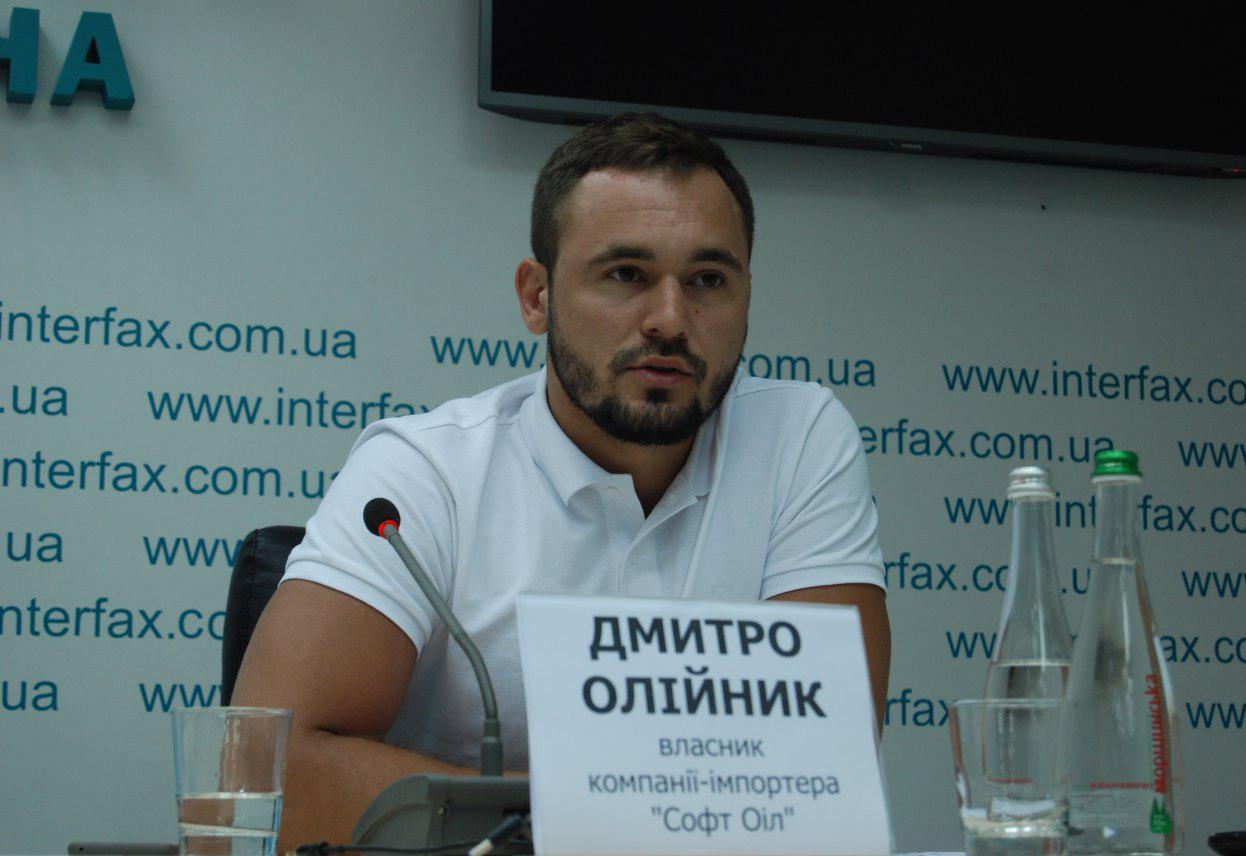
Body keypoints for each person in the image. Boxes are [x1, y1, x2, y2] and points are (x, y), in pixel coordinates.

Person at [232, 112, 890, 850]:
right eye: (626, 274)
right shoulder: (426, 472)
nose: (671, 320)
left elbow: (820, 779)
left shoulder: (797, 439)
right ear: (536, 296)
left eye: (708, 279)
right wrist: (604, 818)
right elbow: (259, 783)